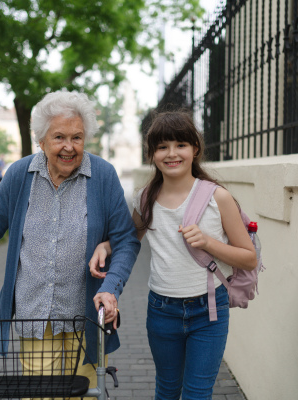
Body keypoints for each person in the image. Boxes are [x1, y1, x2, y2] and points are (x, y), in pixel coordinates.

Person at [0, 90, 140, 396]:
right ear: (41, 140)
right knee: (41, 394)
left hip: (87, 316)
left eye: (77, 137)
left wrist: (110, 288)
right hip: (36, 318)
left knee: (87, 393)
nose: (68, 147)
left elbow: (126, 240)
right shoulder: (19, 176)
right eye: (59, 137)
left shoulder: (102, 176)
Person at [90, 111, 257, 400]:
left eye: (180, 144)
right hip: (162, 310)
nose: (171, 154)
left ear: (195, 149)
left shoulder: (218, 197)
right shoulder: (146, 199)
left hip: (208, 310)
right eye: (162, 146)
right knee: (166, 390)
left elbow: (248, 258)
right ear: (152, 154)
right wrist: (106, 246)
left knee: (197, 393)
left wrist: (207, 242)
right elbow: (129, 239)